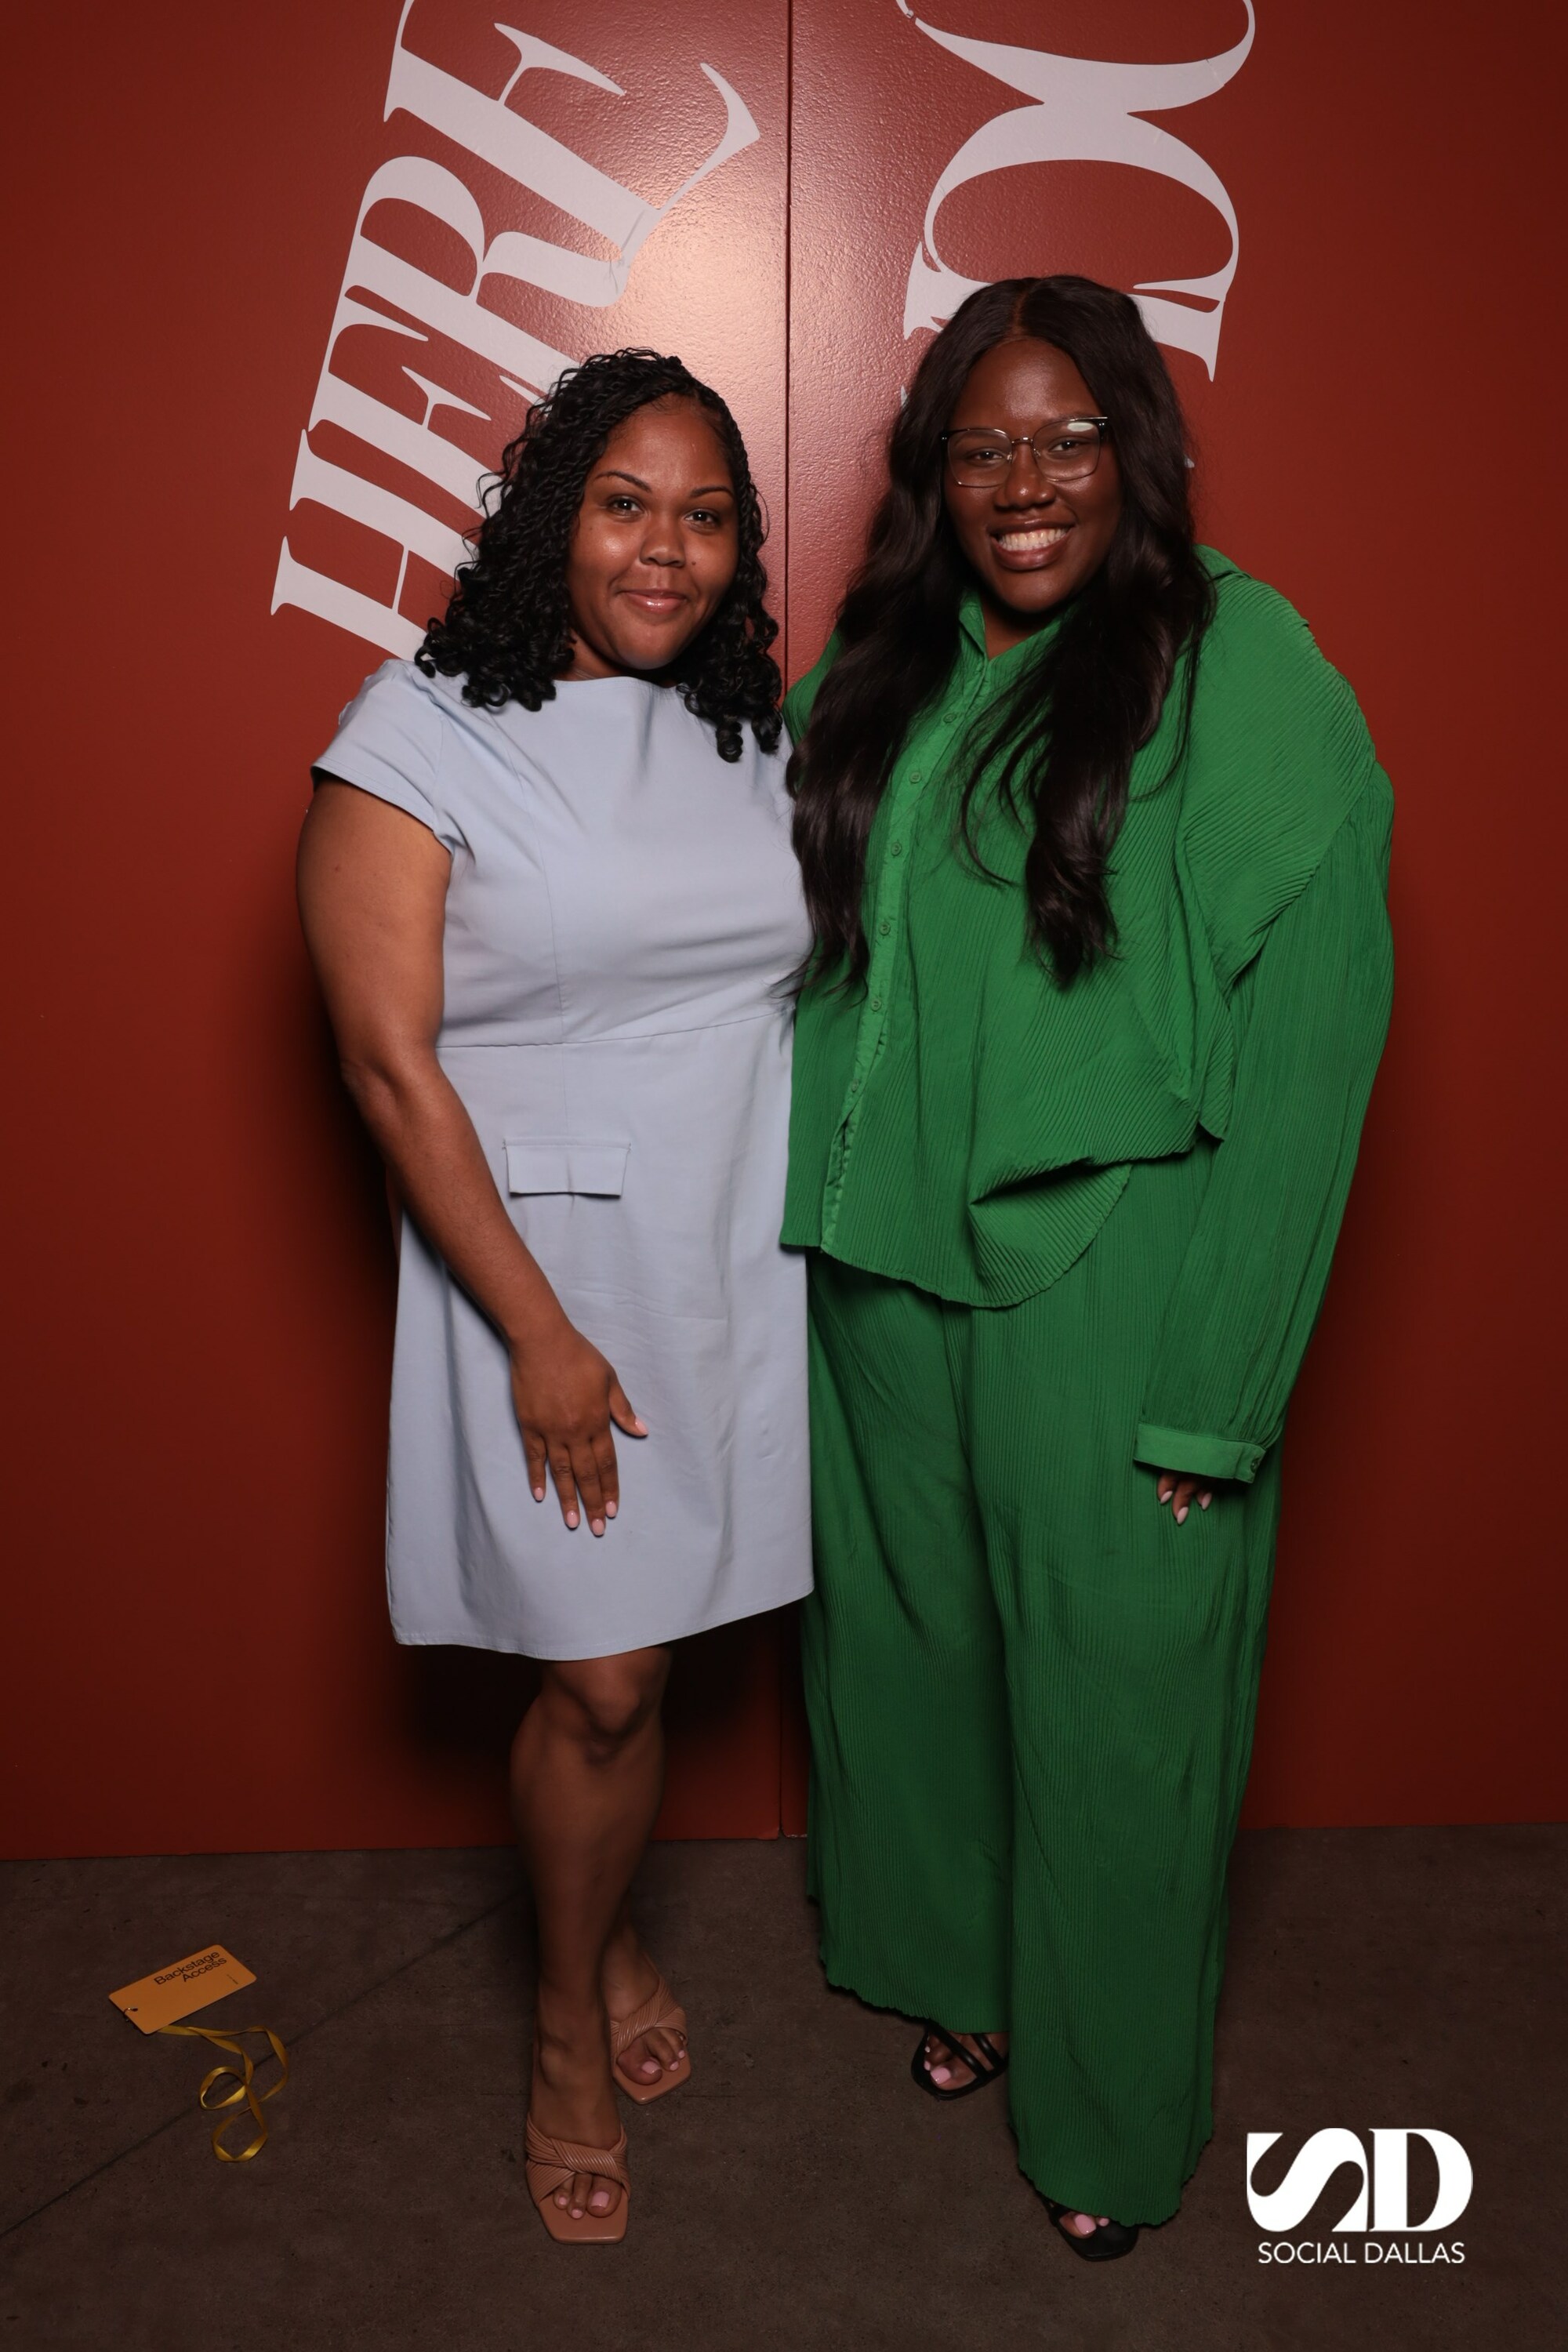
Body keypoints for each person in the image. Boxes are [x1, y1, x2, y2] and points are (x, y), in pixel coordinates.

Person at [782, 276, 1393, 2258]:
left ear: (1137, 451)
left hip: (1113, 1278)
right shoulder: (879, 662)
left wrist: (1220, 1390)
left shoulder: (1240, 661)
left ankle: (1111, 2126)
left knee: (1118, 1715)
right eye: (981, 447)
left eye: (1067, 437)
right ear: (933, 475)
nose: (1025, 482)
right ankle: (967, 1981)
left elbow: (1315, 1040)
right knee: (921, 1669)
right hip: (879, 1273)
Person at [297, 350, 811, 2244]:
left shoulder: (750, 735)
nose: (664, 549)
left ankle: (601, 1944)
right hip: (549, 1277)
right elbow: (386, 1069)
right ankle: (562, 2025)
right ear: (547, 521)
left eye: (705, 516)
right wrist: (535, 1332)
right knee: (598, 1679)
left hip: (733, 1259)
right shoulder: (419, 730)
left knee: (648, 1663)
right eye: (622, 504)